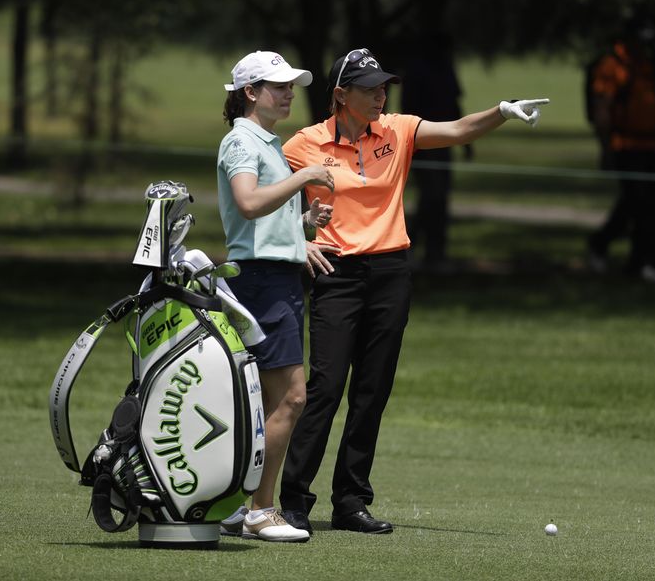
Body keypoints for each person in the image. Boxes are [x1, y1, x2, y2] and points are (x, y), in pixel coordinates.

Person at [278, 47, 548, 535]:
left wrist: (502, 112)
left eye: (384, 86)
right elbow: (266, 206)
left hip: (390, 272)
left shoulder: (399, 130)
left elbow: (459, 129)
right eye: (369, 88)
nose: (381, 94)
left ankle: (350, 501)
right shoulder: (304, 144)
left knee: (372, 391)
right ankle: (294, 498)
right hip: (336, 274)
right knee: (326, 387)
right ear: (341, 95)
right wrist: (299, 239)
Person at [214, 50, 334, 543]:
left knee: (262, 400)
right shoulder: (242, 141)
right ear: (250, 92)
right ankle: (261, 510)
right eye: (277, 86)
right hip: (263, 284)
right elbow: (247, 202)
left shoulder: (265, 142)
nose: (288, 93)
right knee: (291, 397)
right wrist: (304, 177)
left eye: (290, 86)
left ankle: (233, 505)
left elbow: (259, 217)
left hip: (272, 278)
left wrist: (300, 229)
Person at [585, 24, 655, 281]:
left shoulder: (652, 63)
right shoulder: (614, 64)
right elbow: (602, 108)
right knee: (635, 201)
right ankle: (603, 245)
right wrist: (606, 148)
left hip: (653, 145)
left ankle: (639, 260)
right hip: (626, 144)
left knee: (650, 203)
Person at [401, 35, 472, 273]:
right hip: (422, 143)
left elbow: (454, 105)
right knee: (431, 196)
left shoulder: (444, 67)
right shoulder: (418, 70)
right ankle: (417, 246)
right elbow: (407, 112)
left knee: (438, 197)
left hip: (444, 142)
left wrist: (466, 143)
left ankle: (435, 250)